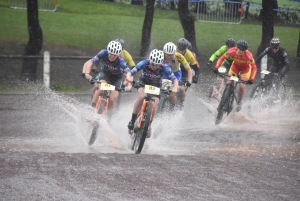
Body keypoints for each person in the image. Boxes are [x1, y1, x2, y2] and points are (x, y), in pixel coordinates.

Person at [126, 49, 179, 138]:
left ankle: (148, 125)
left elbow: (175, 79)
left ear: (161, 63)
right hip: (143, 83)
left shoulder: (165, 67)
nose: (154, 66)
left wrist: (174, 88)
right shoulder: (144, 63)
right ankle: (132, 120)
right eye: (152, 64)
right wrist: (129, 79)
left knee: (154, 105)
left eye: (157, 65)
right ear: (150, 61)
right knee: (142, 96)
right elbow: (130, 73)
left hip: (156, 86)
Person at [82, 40, 131, 115]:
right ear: (108, 51)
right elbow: (91, 62)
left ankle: (109, 116)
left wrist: (129, 84)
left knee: (112, 99)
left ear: (118, 55)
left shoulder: (121, 61)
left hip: (117, 78)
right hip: (105, 74)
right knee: (101, 87)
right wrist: (87, 73)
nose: (112, 57)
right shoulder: (103, 53)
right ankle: (92, 109)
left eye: (115, 55)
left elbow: (128, 73)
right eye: (110, 54)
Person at [214, 39, 257, 112]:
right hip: (235, 67)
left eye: (242, 50)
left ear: (245, 50)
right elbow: (221, 58)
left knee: (242, 86)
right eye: (239, 49)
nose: (240, 51)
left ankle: (239, 102)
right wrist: (216, 67)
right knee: (228, 82)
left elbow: (254, 68)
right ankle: (223, 101)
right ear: (237, 47)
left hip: (245, 69)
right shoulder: (232, 51)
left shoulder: (248, 55)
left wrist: (252, 79)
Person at [162, 42, 192, 109]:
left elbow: (189, 70)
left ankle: (174, 108)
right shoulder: (160, 54)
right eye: (167, 55)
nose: (169, 57)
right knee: (161, 88)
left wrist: (189, 81)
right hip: (164, 73)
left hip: (176, 74)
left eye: (171, 55)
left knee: (173, 93)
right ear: (164, 52)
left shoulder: (179, 56)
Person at [176, 38, 200, 109]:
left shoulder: (190, 55)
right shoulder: (173, 49)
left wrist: (196, 77)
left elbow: (197, 68)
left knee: (182, 89)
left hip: (186, 73)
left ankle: (181, 104)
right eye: (178, 49)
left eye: (182, 50)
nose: (180, 51)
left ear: (186, 49)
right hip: (175, 70)